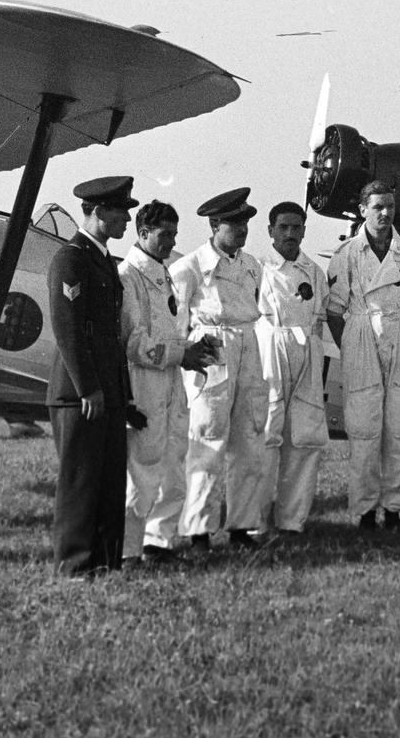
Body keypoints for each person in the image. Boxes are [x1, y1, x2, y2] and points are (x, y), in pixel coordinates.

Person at [46, 176, 147, 577]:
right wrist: (88, 387)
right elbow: (68, 329)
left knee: (108, 482)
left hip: (107, 392)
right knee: (80, 481)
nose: (126, 219)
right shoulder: (71, 259)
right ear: (98, 212)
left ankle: (104, 561)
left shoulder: (103, 260)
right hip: (80, 394)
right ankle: (74, 566)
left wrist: (118, 392)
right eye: (121, 211)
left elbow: (109, 336)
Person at [326, 180, 400, 531]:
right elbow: (334, 310)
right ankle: (367, 508)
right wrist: (353, 344)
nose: (385, 213)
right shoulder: (347, 255)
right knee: (363, 426)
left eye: (389, 206)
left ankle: (396, 507)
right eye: (377, 207)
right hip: (361, 333)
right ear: (362, 211)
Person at [170, 188, 269, 550]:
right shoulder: (187, 269)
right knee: (207, 439)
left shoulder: (251, 266)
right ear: (214, 224)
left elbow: (254, 305)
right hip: (210, 350)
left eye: (245, 222)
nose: (242, 230)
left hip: (248, 348)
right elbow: (178, 327)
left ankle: (242, 525)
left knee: (249, 438)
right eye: (234, 223)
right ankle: (198, 529)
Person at [119, 201, 216, 564]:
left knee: (174, 462)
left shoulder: (164, 273)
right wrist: (180, 355)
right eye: (163, 235)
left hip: (172, 382)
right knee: (142, 467)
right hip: (144, 381)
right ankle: (128, 549)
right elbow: (133, 342)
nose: (169, 241)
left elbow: (171, 329)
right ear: (142, 233)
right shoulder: (128, 277)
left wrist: (192, 349)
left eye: (174, 235)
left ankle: (158, 541)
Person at [256, 201, 331, 534]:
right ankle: (252, 522)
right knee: (263, 438)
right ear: (270, 230)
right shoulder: (256, 268)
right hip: (267, 354)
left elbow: (320, 318)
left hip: (306, 355)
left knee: (304, 438)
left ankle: (292, 521)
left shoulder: (314, 271)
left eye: (296, 227)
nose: (290, 234)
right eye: (283, 227)